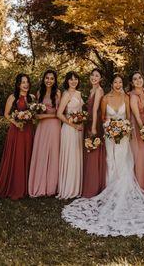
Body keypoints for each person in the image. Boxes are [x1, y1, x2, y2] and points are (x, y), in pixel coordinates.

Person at [61, 73, 144, 237]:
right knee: (110, 159)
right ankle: (111, 187)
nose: (118, 84)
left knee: (124, 160)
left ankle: (123, 188)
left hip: (124, 134)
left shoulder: (127, 97)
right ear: (112, 84)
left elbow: (127, 117)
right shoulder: (105, 98)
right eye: (115, 82)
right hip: (110, 134)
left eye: (120, 82)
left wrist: (123, 128)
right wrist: (110, 127)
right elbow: (104, 116)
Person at [0, 74, 34, 199]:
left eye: (27, 82)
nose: (25, 84)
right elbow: (6, 114)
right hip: (17, 130)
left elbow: (35, 113)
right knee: (17, 156)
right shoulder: (13, 97)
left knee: (28, 154)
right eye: (23, 82)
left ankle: (28, 187)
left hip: (28, 129)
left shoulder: (32, 97)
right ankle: (15, 186)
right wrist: (17, 122)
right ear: (18, 84)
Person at [28, 70, 61, 197]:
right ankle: (39, 184)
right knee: (41, 153)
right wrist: (40, 115)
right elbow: (36, 115)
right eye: (47, 78)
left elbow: (59, 114)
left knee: (53, 153)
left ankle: (51, 187)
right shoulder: (39, 93)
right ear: (43, 79)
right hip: (41, 128)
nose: (49, 80)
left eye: (52, 78)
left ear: (55, 80)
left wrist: (44, 116)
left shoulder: (58, 93)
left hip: (53, 127)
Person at [57, 71, 84, 199]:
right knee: (70, 156)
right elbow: (59, 114)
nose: (73, 81)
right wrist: (73, 125)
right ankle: (68, 188)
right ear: (67, 81)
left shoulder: (78, 93)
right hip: (69, 129)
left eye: (76, 79)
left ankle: (77, 187)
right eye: (71, 79)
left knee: (77, 156)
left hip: (79, 128)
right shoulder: (66, 94)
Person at [82, 68, 106, 197]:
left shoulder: (99, 90)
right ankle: (89, 183)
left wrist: (94, 128)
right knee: (90, 151)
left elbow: (96, 109)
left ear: (100, 78)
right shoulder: (91, 90)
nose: (94, 77)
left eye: (97, 76)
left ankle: (93, 186)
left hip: (95, 123)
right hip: (90, 121)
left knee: (94, 152)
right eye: (92, 75)